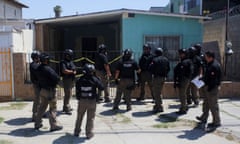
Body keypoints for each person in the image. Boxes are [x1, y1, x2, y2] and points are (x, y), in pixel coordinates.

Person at [74, 63, 104, 139]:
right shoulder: (94, 79)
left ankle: (76, 132)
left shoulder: (80, 79)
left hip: (82, 101)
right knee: (90, 118)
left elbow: (77, 89)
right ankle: (89, 133)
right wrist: (98, 79)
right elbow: (102, 87)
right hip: (91, 101)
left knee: (79, 117)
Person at [34, 53, 63, 132]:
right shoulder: (48, 69)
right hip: (50, 91)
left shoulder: (38, 68)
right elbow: (56, 78)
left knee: (41, 108)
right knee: (52, 108)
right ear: (46, 60)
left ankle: (37, 123)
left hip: (42, 90)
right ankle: (54, 125)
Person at [196, 51, 222, 131]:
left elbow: (214, 80)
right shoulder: (209, 64)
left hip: (212, 89)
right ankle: (204, 118)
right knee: (206, 104)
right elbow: (208, 76)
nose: (205, 57)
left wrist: (210, 88)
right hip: (208, 87)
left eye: (206, 56)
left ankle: (216, 121)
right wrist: (202, 78)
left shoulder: (214, 65)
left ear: (210, 57)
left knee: (213, 106)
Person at [149, 48, 170, 113]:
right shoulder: (166, 59)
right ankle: (157, 105)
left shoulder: (155, 60)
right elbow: (168, 69)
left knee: (156, 93)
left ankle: (159, 107)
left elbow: (150, 68)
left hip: (157, 78)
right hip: (163, 78)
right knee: (159, 91)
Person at [174, 49, 193, 115]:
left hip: (184, 79)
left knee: (182, 94)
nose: (180, 55)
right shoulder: (186, 61)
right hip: (185, 79)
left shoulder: (185, 62)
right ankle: (185, 106)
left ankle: (183, 109)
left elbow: (181, 72)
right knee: (183, 94)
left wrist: (179, 81)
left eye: (181, 54)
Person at [60, 49, 76, 115]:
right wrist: (72, 72)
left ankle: (65, 106)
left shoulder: (70, 62)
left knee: (69, 94)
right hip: (66, 79)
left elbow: (74, 68)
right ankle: (66, 108)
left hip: (71, 79)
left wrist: (74, 71)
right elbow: (64, 71)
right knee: (67, 94)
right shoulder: (63, 62)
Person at [30, 51, 41, 122]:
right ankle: (34, 115)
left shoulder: (37, 64)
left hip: (40, 84)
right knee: (37, 99)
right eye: (38, 57)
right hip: (37, 84)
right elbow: (38, 71)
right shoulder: (33, 65)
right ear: (35, 57)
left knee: (40, 100)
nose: (39, 58)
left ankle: (40, 113)